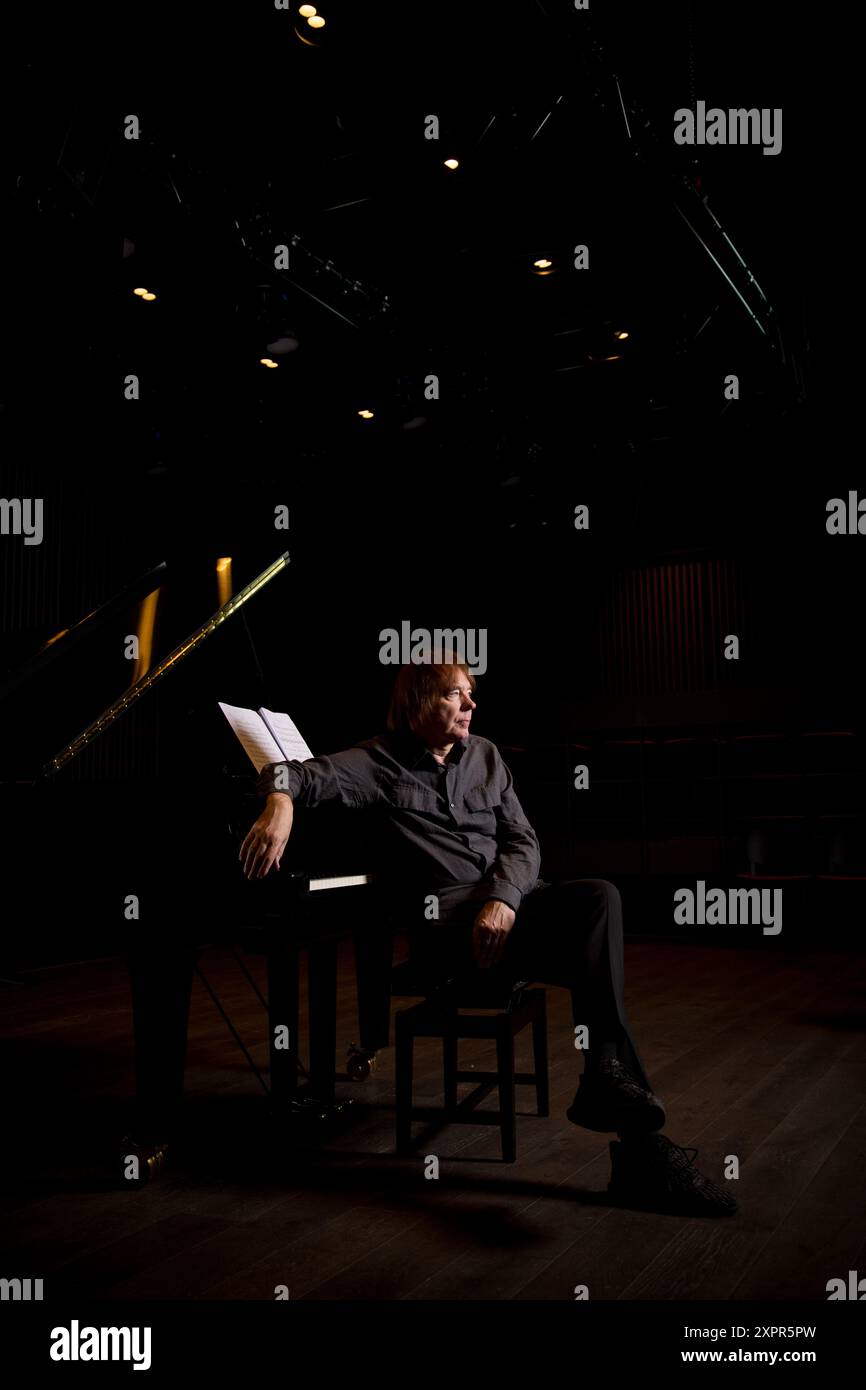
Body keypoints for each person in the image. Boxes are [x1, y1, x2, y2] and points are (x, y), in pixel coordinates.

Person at [240, 654, 737, 1217]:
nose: (472, 704)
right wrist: (279, 805)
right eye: (457, 694)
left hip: (510, 912)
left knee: (600, 896)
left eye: (471, 693)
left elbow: (523, 842)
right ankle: (641, 1152)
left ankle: (607, 1082)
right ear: (418, 703)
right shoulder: (377, 761)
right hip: (454, 937)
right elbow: (298, 773)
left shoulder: (487, 755)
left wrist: (502, 898)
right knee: (596, 972)